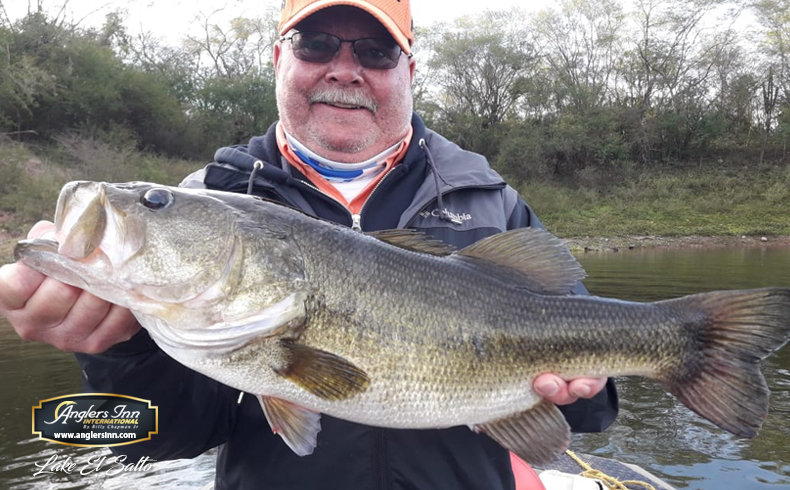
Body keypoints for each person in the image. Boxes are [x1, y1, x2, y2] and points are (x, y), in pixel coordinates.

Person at [0, 1, 617, 488]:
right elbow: (165, 439)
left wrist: (585, 389)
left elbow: (594, 411)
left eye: (375, 51)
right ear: (279, 59)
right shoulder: (210, 195)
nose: (345, 68)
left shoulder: (492, 201)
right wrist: (117, 353)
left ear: (408, 71)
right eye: (316, 43)